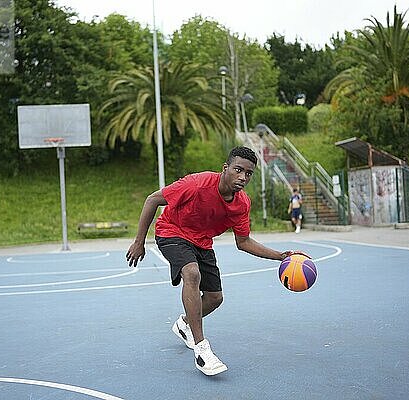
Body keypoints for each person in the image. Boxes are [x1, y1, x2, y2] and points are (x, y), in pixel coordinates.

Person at [126, 146, 309, 376]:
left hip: (202, 242)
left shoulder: (241, 204)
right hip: (172, 231)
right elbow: (153, 199)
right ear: (225, 168)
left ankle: (184, 325)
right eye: (238, 170)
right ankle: (202, 350)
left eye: (249, 173)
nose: (243, 177)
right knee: (191, 274)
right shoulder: (197, 184)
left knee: (215, 298)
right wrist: (139, 241)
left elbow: (243, 242)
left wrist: (281, 256)